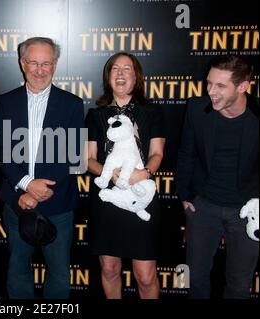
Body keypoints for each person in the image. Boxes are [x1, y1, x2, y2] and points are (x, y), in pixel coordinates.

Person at [0, 37, 84, 299]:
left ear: (55, 65)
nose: (40, 70)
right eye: (34, 63)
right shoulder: (6, 101)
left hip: (58, 204)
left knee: (58, 273)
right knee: (17, 269)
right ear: (23, 63)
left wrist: (38, 191)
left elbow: (74, 158)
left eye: (46, 63)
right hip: (16, 202)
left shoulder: (72, 104)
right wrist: (25, 187)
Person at [177, 55, 259, 299]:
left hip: (248, 212)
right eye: (209, 83)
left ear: (243, 86)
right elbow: (186, 153)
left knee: (239, 284)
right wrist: (185, 194)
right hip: (203, 207)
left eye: (220, 86)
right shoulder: (196, 108)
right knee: (197, 278)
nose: (211, 91)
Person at [85, 52, 165, 299]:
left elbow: (157, 153)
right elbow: (87, 159)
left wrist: (144, 173)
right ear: (108, 77)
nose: (120, 73)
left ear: (136, 76)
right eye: (115, 69)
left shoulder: (152, 112)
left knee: (145, 275)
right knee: (109, 269)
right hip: (108, 198)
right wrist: (112, 175)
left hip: (140, 195)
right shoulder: (95, 115)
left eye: (127, 68)